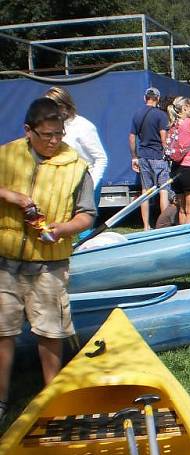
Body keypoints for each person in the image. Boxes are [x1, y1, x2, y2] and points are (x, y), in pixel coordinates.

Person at [0, 98, 96, 418]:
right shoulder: (5, 156)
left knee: (51, 332)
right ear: (28, 131)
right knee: (3, 332)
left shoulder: (76, 167)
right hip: (5, 262)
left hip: (49, 266)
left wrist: (63, 229)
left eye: (59, 134)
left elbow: (87, 215)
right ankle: (1, 400)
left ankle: (51, 396)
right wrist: (10, 196)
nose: (54, 141)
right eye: (47, 135)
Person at [44, 86, 107, 232]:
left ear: (63, 106)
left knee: (83, 231)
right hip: (61, 185)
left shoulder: (83, 126)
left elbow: (100, 159)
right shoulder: (51, 126)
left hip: (84, 185)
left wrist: (92, 186)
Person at [130, 87, 170, 230]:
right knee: (164, 190)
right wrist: (168, 152)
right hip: (158, 156)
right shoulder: (161, 115)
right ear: (158, 99)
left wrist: (134, 157)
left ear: (145, 98)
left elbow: (132, 137)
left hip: (143, 156)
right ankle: (164, 225)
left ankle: (146, 225)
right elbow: (163, 138)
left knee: (145, 191)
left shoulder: (137, 115)